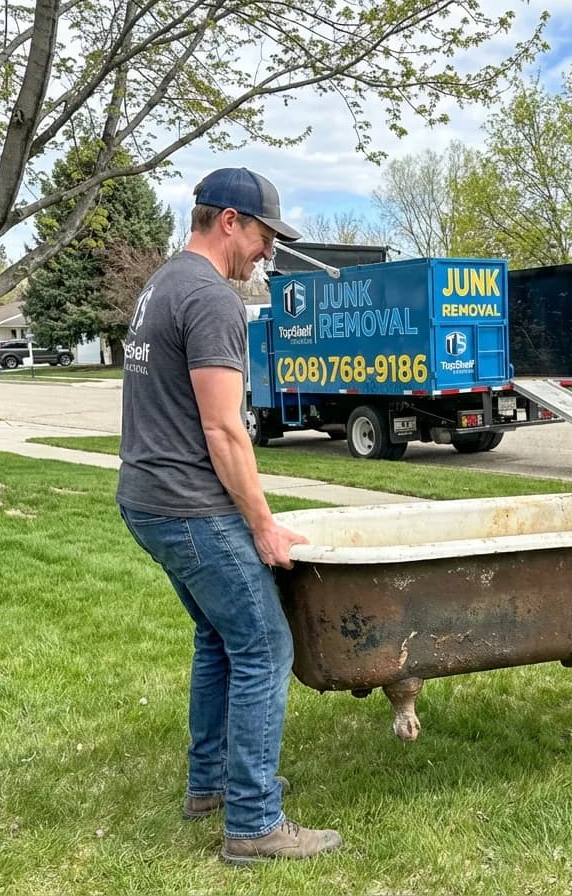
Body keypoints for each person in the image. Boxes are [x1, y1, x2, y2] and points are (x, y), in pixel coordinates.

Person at [116, 167, 343, 862]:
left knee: (219, 638)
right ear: (229, 223)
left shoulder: (162, 282)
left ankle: (210, 782)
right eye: (264, 237)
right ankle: (253, 823)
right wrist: (263, 522)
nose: (267, 254)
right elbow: (222, 431)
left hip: (146, 498)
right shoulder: (210, 298)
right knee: (265, 647)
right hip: (188, 505)